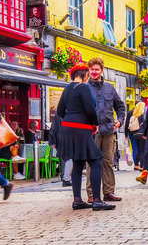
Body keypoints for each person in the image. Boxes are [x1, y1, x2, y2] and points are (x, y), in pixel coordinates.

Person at [56, 62, 115, 211]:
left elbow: (60, 111)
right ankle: (96, 200)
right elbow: (90, 109)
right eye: (87, 75)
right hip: (81, 129)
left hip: (67, 129)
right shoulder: (83, 87)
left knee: (77, 162)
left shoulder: (67, 88)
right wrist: (94, 123)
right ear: (83, 76)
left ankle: (77, 200)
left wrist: (71, 118)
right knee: (96, 161)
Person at [85, 57, 126, 203]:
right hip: (91, 132)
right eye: (92, 69)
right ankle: (91, 194)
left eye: (97, 69)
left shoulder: (109, 87)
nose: (94, 72)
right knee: (91, 163)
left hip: (108, 130)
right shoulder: (84, 88)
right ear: (88, 70)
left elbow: (120, 106)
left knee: (108, 162)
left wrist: (119, 121)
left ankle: (108, 192)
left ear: (102, 71)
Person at [125, 102, 146, 171]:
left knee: (136, 149)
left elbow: (126, 124)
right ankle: (142, 166)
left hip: (134, 134)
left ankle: (136, 164)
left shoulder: (132, 114)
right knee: (142, 150)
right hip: (142, 133)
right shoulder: (143, 114)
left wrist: (126, 134)